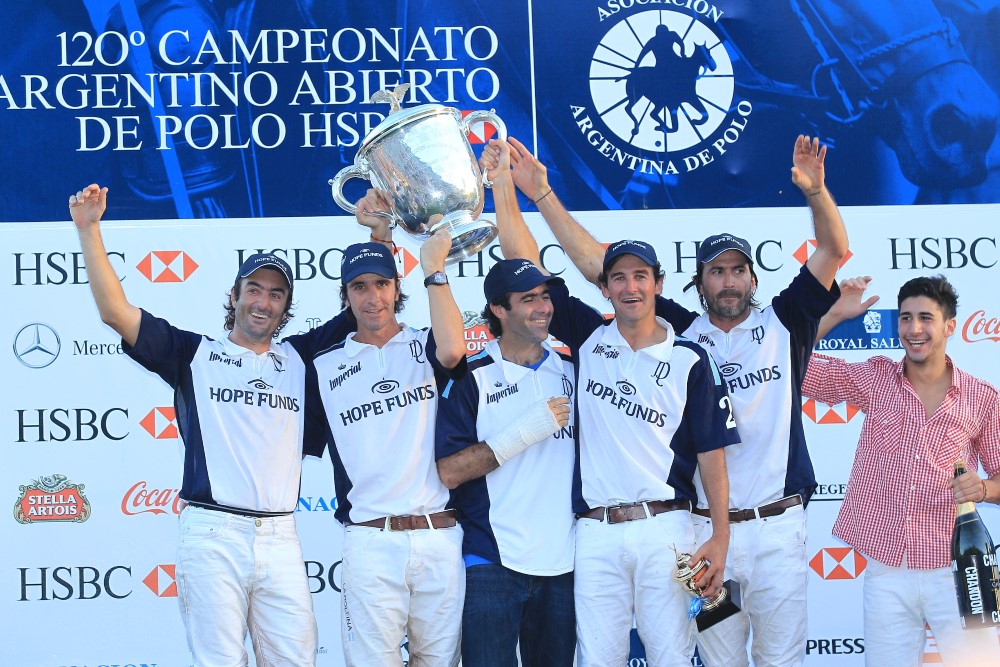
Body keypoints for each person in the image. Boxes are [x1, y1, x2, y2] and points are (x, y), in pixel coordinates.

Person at [495, 133, 848, 667]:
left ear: (753, 277)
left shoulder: (785, 320)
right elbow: (597, 268)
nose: (728, 281)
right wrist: (539, 195)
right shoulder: (684, 336)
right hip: (701, 530)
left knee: (781, 661)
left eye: (737, 269)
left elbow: (831, 250)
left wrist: (817, 192)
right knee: (717, 659)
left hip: (776, 531)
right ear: (697, 282)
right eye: (716, 271)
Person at [69, 183, 355, 666]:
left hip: (281, 536)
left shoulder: (300, 358)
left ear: (286, 307)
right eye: (254, 290)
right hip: (212, 533)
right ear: (235, 295)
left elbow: (364, 310)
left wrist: (381, 231)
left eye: (276, 294)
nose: (263, 302)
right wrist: (89, 229)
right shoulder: (194, 354)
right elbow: (115, 313)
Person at [481, 139, 738, 666]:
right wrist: (504, 186)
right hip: (595, 532)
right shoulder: (587, 336)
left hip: (667, 527)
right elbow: (522, 264)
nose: (629, 287)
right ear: (606, 288)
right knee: (599, 659)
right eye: (618, 277)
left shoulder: (692, 356)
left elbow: (712, 454)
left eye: (640, 276)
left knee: (671, 655)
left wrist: (719, 535)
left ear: (658, 285)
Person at [305, 190, 468, 667]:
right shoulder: (321, 363)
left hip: (438, 535)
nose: (372, 297)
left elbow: (455, 352)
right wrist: (378, 234)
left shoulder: (424, 346)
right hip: (371, 541)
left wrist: (431, 266)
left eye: (382, 284)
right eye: (360, 287)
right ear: (346, 295)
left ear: (398, 288)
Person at [804, 275, 1000, 667]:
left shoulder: (982, 397)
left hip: (960, 569)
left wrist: (983, 489)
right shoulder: (877, 378)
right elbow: (800, 365)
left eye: (925, 318)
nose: (914, 329)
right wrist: (834, 314)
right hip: (887, 570)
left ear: (949, 326)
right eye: (905, 318)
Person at [435, 258, 575, 667]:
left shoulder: (573, 370)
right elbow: (449, 471)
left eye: (545, 297)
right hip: (492, 560)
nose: (543, 307)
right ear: (499, 309)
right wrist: (525, 430)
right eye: (528, 299)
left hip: (563, 562)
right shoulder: (470, 376)